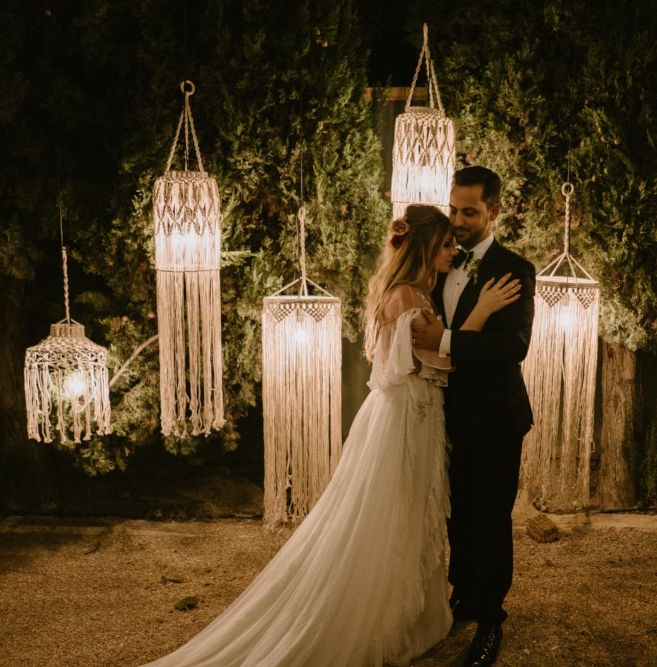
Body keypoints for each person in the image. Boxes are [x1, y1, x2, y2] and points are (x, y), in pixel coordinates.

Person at [143, 204, 520, 667]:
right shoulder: (409, 297)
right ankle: (377, 615)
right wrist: (480, 312)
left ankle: (413, 610)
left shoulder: (409, 290)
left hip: (406, 415)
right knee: (393, 515)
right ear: (424, 247)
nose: (452, 250)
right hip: (405, 420)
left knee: (405, 514)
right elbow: (444, 359)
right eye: (444, 244)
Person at [411, 166, 536, 666]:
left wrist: (443, 340)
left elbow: (513, 345)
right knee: (456, 514)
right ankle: (461, 598)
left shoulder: (514, 269)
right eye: (453, 209)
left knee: (490, 518)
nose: (458, 221)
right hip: (444, 414)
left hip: (496, 417)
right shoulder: (441, 259)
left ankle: (490, 619)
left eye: (469, 212)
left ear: (494, 211)